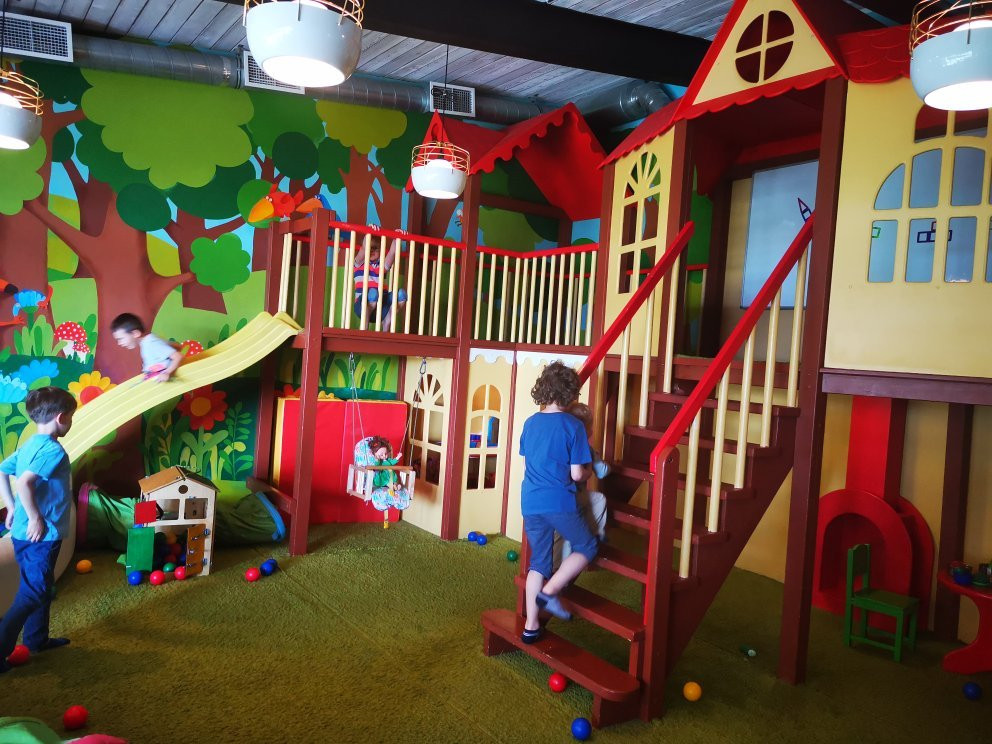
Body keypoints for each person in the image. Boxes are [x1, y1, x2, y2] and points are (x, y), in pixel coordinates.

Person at [518, 361, 597, 644]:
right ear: (571, 394)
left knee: (538, 563)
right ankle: (549, 592)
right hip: (558, 502)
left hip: (530, 501)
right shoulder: (574, 426)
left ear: (544, 389)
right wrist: (588, 472)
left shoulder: (530, 422)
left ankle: (530, 625)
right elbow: (576, 474)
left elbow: (530, 461)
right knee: (587, 546)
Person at [0, 387, 77, 673]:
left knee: (41, 587)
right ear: (61, 417)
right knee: (34, 592)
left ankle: (36, 639)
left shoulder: (30, 444)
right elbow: (24, 482)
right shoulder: (52, 450)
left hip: (26, 536)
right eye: (71, 417)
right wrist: (34, 518)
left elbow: (3, 470)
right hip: (40, 537)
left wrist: (11, 508)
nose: (70, 422)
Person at [553, 402, 609, 566]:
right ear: (588, 431)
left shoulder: (561, 444)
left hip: (556, 495)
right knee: (599, 500)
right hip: (574, 496)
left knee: (561, 533)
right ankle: (594, 533)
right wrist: (605, 464)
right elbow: (602, 472)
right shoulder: (587, 449)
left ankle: (558, 564)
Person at [354, 227, 408, 332]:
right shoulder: (359, 263)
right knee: (373, 293)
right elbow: (364, 248)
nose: (372, 250)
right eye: (370, 247)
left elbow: (392, 253)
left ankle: (387, 319)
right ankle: (364, 328)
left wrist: (397, 238)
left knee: (401, 294)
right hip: (362, 306)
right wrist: (369, 232)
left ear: (381, 250)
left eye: (375, 248)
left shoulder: (381, 266)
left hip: (381, 307)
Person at [110, 313, 183, 381]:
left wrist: (167, 373)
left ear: (135, 333)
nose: (119, 343)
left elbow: (178, 356)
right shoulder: (147, 343)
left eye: (121, 339)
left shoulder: (151, 343)